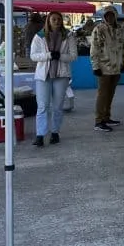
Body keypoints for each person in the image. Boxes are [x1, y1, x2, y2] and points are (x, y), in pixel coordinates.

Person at [30, 11, 77, 146]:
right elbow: (33, 55)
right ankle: (40, 135)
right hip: (43, 75)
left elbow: (73, 56)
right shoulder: (39, 36)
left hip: (61, 75)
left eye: (58, 19)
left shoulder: (69, 36)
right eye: (54, 19)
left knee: (57, 107)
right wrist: (49, 55)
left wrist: (60, 56)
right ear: (48, 21)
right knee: (42, 106)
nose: (56, 21)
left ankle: (55, 132)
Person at [90, 6, 124, 132]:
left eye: (112, 15)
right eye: (107, 15)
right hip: (104, 68)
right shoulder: (99, 29)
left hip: (116, 68)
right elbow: (94, 49)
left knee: (110, 94)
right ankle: (98, 121)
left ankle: (106, 117)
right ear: (104, 16)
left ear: (115, 16)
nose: (109, 18)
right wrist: (95, 66)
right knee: (102, 95)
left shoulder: (120, 30)